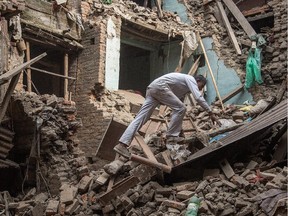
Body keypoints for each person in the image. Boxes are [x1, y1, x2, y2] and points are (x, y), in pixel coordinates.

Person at [114, 72, 220, 158]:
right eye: (201, 86)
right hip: (161, 87)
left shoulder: (183, 89)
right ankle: (171, 137)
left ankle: (122, 144)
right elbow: (198, 98)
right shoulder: (190, 79)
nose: (201, 89)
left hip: (153, 88)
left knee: (140, 118)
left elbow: (177, 111)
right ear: (198, 81)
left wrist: (180, 131)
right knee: (181, 108)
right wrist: (210, 113)